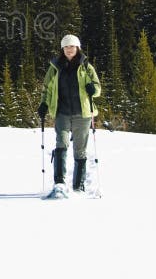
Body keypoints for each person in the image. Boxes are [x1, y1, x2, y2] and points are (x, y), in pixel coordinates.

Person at [37, 34, 101, 193]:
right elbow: (46, 89)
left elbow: (97, 88)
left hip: (83, 113)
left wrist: (93, 89)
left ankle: (78, 185)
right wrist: (44, 104)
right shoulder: (55, 67)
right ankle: (59, 182)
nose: (69, 49)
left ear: (77, 48)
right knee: (61, 144)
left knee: (80, 149)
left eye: (72, 46)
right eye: (66, 47)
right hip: (62, 112)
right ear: (62, 49)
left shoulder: (86, 66)